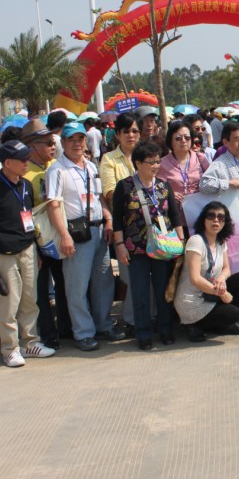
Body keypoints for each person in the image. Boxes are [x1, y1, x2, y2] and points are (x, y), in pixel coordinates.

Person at [0, 141, 55, 367]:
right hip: (3, 253)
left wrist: (36, 249)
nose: (27, 162)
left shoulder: (25, 185)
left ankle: (30, 342)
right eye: (23, 159)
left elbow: (29, 218)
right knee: (9, 303)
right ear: (7, 163)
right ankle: (10, 348)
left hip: (28, 249)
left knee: (30, 299)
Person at [45, 122, 122, 351]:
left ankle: (103, 325)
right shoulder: (56, 170)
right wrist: (64, 236)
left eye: (80, 139)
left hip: (99, 231)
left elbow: (99, 198)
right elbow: (53, 205)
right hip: (76, 234)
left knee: (103, 282)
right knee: (77, 287)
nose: (77, 143)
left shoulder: (90, 166)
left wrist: (108, 219)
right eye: (71, 139)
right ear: (63, 142)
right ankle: (83, 332)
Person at [112, 141, 185, 350]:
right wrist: (120, 244)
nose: (155, 166)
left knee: (163, 290)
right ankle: (143, 334)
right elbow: (117, 219)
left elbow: (174, 215)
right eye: (150, 162)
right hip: (136, 247)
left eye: (157, 161)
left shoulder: (163, 185)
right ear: (138, 163)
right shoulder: (125, 186)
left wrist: (181, 242)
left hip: (163, 247)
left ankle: (165, 329)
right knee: (140, 292)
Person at [21, 118, 72, 349]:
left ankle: (66, 327)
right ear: (32, 145)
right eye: (48, 143)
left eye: (54, 142)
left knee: (64, 282)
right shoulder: (24, 173)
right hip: (36, 238)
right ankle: (48, 333)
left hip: (58, 235)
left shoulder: (56, 166)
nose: (53, 146)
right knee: (40, 288)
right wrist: (32, 243)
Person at [175, 201, 239, 342]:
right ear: (203, 220)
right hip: (192, 300)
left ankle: (222, 323)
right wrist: (221, 293)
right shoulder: (196, 241)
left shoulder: (220, 241)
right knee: (234, 314)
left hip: (209, 292)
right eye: (211, 216)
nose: (216, 220)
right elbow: (195, 279)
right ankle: (192, 324)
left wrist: (221, 277)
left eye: (221, 217)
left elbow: (226, 268)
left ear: (225, 223)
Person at [99, 113, 140, 333]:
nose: (131, 135)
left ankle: (149, 316)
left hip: (151, 226)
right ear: (117, 134)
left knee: (149, 275)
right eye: (126, 131)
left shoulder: (146, 154)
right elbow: (110, 193)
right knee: (130, 276)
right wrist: (140, 200)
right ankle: (132, 320)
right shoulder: (109, 160)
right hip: (124, 226)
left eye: (135, 131)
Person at [200, 122, 239, 194]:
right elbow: (203, 184)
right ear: (225, 142)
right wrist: (228, 183)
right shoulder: (218, 164)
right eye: (236, 140)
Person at [158, 119, 210, 204]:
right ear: (170, 141)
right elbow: (156, 189)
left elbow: (212, 180)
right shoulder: (162, 164)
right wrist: (169, 194)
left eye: (187, 138)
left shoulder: (200, 158)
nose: (184, 141)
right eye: (178, 138)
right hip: (175, 208)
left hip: (201, 206)